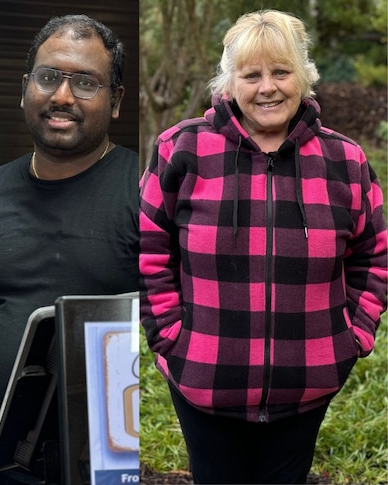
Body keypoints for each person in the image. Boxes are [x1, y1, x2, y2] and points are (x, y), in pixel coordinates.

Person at [139, 9, 388, 484]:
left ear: (305, 77)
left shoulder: (345, 160)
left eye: (281, 71)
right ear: (229, 82)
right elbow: (149, 251)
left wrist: (351, 337)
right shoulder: (182, 149)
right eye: (251, 74)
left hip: (309, 383)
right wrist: (171, 338)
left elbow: (373, 255)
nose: (267, 87)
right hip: (204, 376)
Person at [0, 14, 140, 484]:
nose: (62, 96)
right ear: (25, 87)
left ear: (117, 100)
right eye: (49, 77)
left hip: (110, 467)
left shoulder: (147, 190)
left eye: (86, 82)